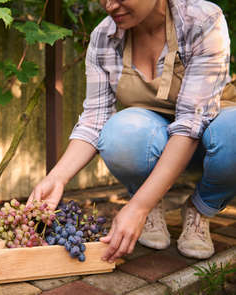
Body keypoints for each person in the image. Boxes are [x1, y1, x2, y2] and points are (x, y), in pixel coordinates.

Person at [27, 0, 236, 263]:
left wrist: (137, 207)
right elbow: (94, 121)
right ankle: (150, 204)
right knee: (119, 132)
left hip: (209, 139)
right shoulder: (104, 38)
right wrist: (56, 178)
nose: (109, 5)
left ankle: (201, 208)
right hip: (154, 141)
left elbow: (191, 123)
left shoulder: (201, 20)